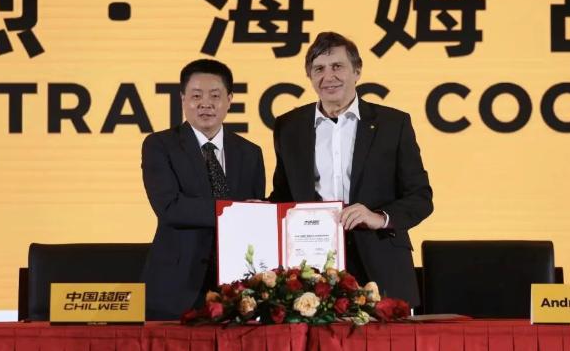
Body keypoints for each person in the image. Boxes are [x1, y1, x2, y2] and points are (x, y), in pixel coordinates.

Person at [269, 32, 433, 307]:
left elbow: (420, 198)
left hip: (381, 261)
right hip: (312, 267)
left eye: (337, 66)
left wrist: (379, 217)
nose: (328, 76)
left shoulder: (393, 124)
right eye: (318, 69)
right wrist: (251, 213)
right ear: (309, 76)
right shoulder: (289, 126)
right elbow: (283, 196)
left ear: (357, 71)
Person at [141, 59, 265, 320]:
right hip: (176, 285)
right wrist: (233, 210)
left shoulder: (250, 153)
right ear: (183, 99)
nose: (205, 104)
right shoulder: (159, 145)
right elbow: (170, 207)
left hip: (237, 286)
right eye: (196, 96)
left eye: (215, 96)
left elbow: (254, 218)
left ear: (229, 100)